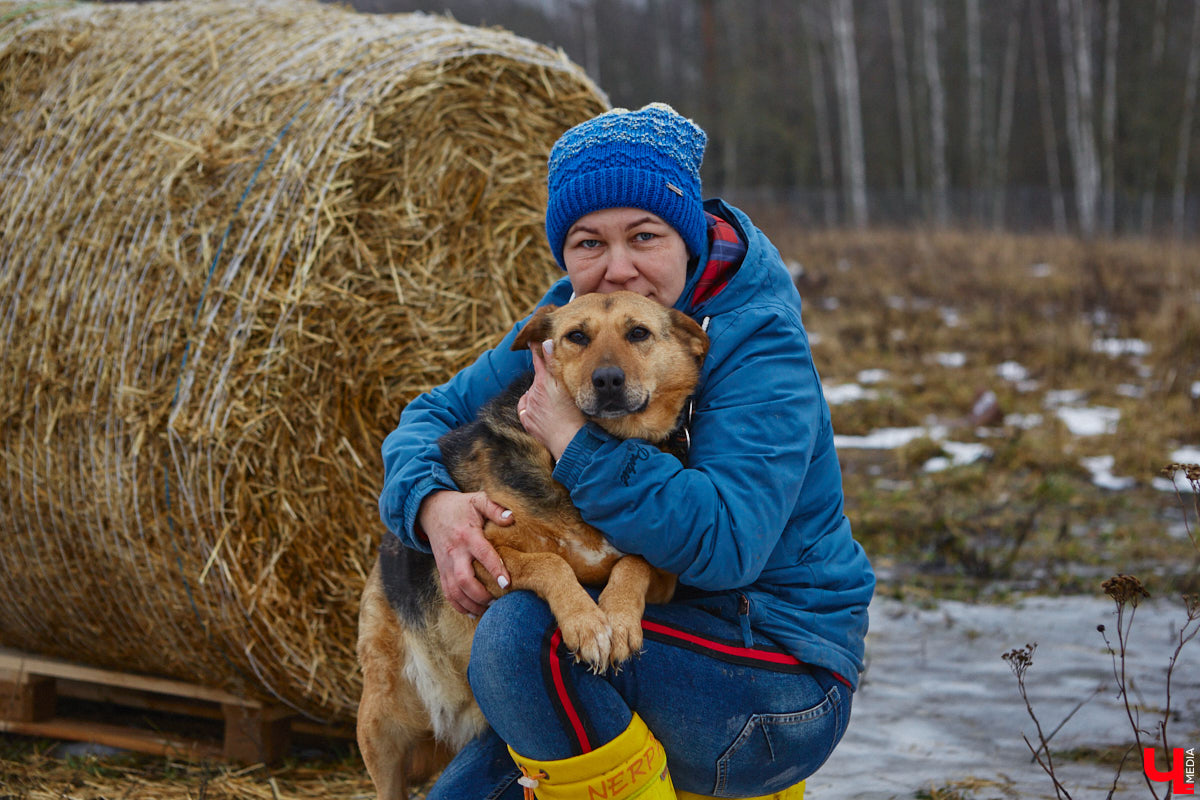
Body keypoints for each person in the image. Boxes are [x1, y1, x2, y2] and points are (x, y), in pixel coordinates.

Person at [378, 103, 874, 800]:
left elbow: (727, 547)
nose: (617, 270)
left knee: (526, 636)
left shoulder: (758, 343)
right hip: (636, 647)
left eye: (643, 236)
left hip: (778, 675)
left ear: (687, 234)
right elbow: (427, 415)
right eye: (587, 243)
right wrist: (433, 506)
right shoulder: (574, 317)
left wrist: (573, 441)